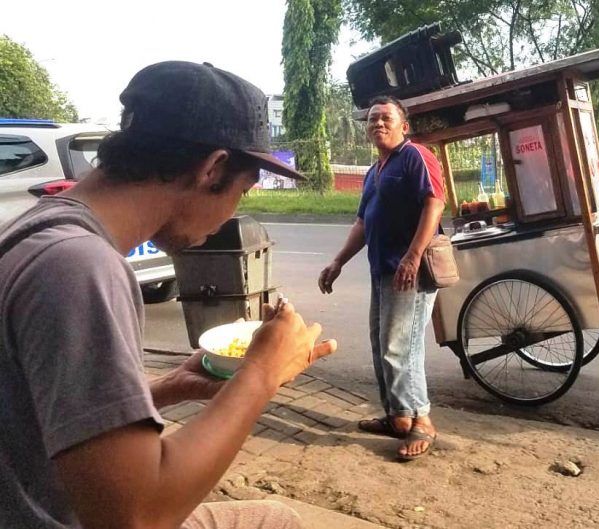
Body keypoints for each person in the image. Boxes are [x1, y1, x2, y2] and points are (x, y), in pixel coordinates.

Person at [0, 61, 337, 529]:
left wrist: (164, 390)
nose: (236, 209)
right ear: (213, 167)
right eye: (243, 189)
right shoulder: (80, 266)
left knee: (272, 516)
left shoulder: (41, 227)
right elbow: (138, 516)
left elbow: (36, 418)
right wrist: (259, 375)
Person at [317, 96, 445, 461]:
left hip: (410, 271)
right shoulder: (375, 171)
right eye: (372, 119)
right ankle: (398, 415)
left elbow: (434, 203)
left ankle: (422, 421)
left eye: (386, 118)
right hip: (383, 269)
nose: (378, 124)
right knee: (382, 346)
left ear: (404, 125)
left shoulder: (415, 156)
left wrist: (412, 256)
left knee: (400, 348)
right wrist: (338, 261)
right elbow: (363, 222)